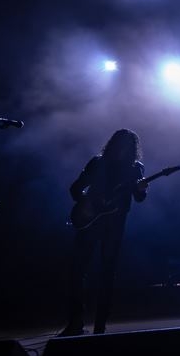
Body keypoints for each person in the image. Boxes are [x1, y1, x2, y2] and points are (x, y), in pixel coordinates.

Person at [60, 129, 149, 336]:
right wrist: (87, 203)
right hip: (89, 223)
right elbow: (75, 189)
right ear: (113, 144)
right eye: (120, 143)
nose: (123, 148)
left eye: (128, 145)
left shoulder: (136, 169)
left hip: (115, 226)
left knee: (107, 274)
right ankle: (75, 322)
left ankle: (100, 326)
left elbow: (139, 198)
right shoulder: (97, 163)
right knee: (77, 271)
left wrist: (142, 189)